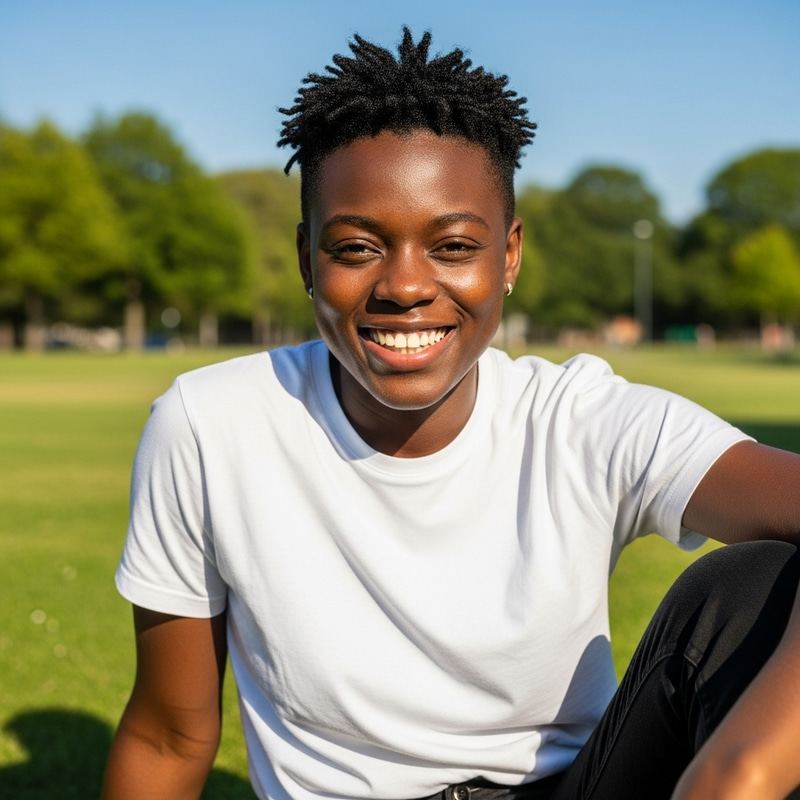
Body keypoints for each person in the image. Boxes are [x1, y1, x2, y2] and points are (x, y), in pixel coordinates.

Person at [102, 28, 800, 800]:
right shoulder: (209, 425)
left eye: (453, 245)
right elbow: (169, 734)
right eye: (358, 247)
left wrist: (744, 773)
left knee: (751, 587)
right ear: (307, 260)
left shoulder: (579, 420)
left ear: (508, 256)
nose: (405, 285)